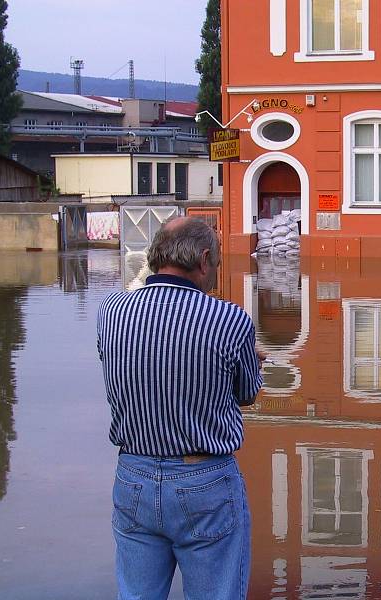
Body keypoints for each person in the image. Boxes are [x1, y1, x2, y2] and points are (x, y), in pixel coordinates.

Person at [97, 217, 264, 600]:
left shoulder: (111, 312)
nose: (214, 275)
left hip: (132, 476)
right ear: (204, 259)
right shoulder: (230, 320)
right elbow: (245, 393)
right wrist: (252, 361)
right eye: (217, 265)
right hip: (203, 481)